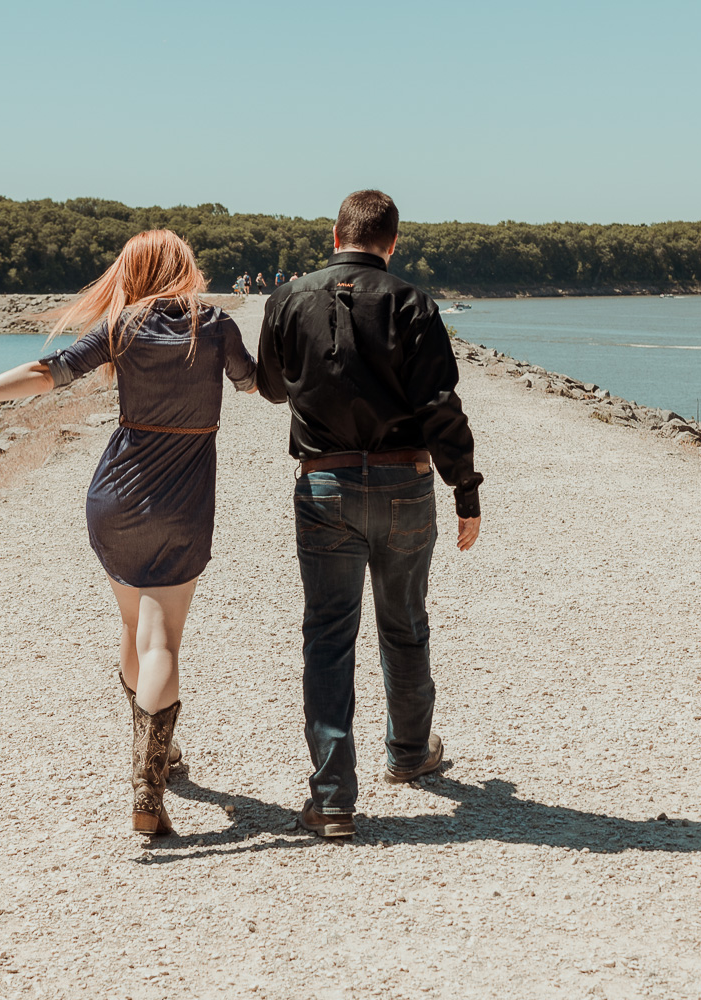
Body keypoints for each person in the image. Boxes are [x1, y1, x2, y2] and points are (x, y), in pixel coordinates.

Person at [0, 229, 258, 836]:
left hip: (115, 498)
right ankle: (147, 785)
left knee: (133, 627)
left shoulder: (122, 327)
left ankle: (156, 754)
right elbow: (255, 384)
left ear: (134, 271)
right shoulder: (216, 325)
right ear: (185, 267)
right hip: (182, 503)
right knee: (162, 639)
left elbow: (49, 372)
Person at [256, 189, 483, 839]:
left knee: (328, 636)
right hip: (407, 479)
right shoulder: (412, 302)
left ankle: (331, 799)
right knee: (405, 623)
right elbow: (441, 405)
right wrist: (464, 490)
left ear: (336, 235)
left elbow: (273, 388)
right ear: (393, 242)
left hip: (324, 483)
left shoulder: (287, 299)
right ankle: (409, 754)